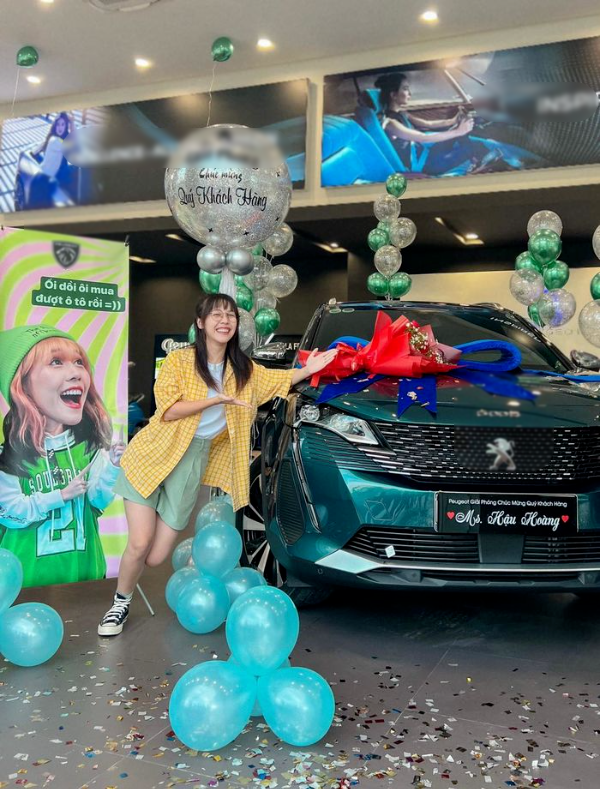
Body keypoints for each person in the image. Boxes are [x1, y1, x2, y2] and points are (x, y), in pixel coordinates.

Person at [98, 294, 337, 636]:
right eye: (216, 314)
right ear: (200, 323)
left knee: (154, 557)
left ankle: (136, 572)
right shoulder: (180, 360)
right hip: (151, 454)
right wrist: (215, 400)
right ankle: (119, 604)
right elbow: (168, 410)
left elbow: (278, 380)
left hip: (190, 463)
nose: (224, 320)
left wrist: (310, 369)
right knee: (139, 543)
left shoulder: (244, 370)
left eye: (230, 315)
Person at [0, 325, 126, 587]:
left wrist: (114, 466)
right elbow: (10, 514)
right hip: (25, 583)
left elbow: (98, 501)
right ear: (21, 384)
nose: (76, 373)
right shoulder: (8, 456)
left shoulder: (88, 448)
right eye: (56, 362)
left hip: (84, 576)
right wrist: (60, 495)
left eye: (79, 362)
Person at [374, 72, 496, 175]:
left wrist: (454, 121)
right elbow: (423, 137)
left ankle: (477, 161)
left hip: (426, 152)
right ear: (393, 95)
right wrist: (458, 131)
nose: (410, 93)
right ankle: (478, 166)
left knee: (464, 136)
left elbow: (428, 124)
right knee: (470, 147)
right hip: (425, 164)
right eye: (405, 89)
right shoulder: (390, 123)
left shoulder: (403, 113)